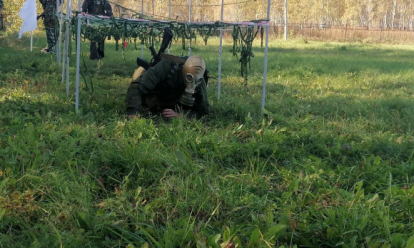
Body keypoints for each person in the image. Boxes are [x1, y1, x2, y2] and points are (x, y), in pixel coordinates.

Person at [126, 55, 209, 119]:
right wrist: (133, 112)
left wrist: (180, 115)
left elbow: (202, 112)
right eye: (189, 78)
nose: (192, 83)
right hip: (157, 96)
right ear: (183, 70)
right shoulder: (166, 66)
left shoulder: (200, 81)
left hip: (175, 104)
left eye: (197, 80)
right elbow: (137, 86)